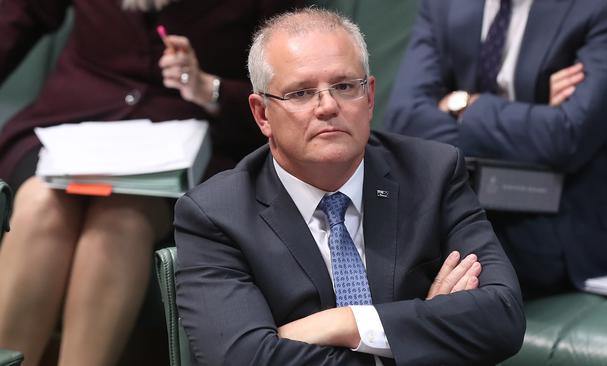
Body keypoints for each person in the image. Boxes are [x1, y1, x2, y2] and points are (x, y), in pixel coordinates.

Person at [174, 8, 525, 366]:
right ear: (262, 114)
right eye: (300, 93)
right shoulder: (216, 215)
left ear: (370, 97)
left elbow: (504, 316)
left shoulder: (433, 172)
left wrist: (346, 323)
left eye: (344, 87)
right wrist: (414, 334)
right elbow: (243, 360)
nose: (327, 106)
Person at [0, 0, 302, 365]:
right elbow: (18, 16)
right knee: (38, 204)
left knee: (121, 217)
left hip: (187, 148)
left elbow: (292, 96)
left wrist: (212, 89)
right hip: (72, 124)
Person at [385, 0, 607, 298]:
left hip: (568, 213)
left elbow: (565, 138)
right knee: (374, 240)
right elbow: (404, 118)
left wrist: (458, 105)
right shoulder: (444, 5)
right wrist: (532, 113)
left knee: (413, 262)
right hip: (468, 193)